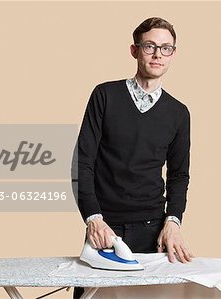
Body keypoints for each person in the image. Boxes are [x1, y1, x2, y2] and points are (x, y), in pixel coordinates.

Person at [74, 17, 193, 283]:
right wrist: (93, 217)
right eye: (150, 46)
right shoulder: (104, 96)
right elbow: (82, 162)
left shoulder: (178, 113)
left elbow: (178, 176)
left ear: (173, 54)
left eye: (166, 48)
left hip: (154, 229)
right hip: (105, 226)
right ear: (134, 50)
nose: (157, 54)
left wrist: (173, 222)